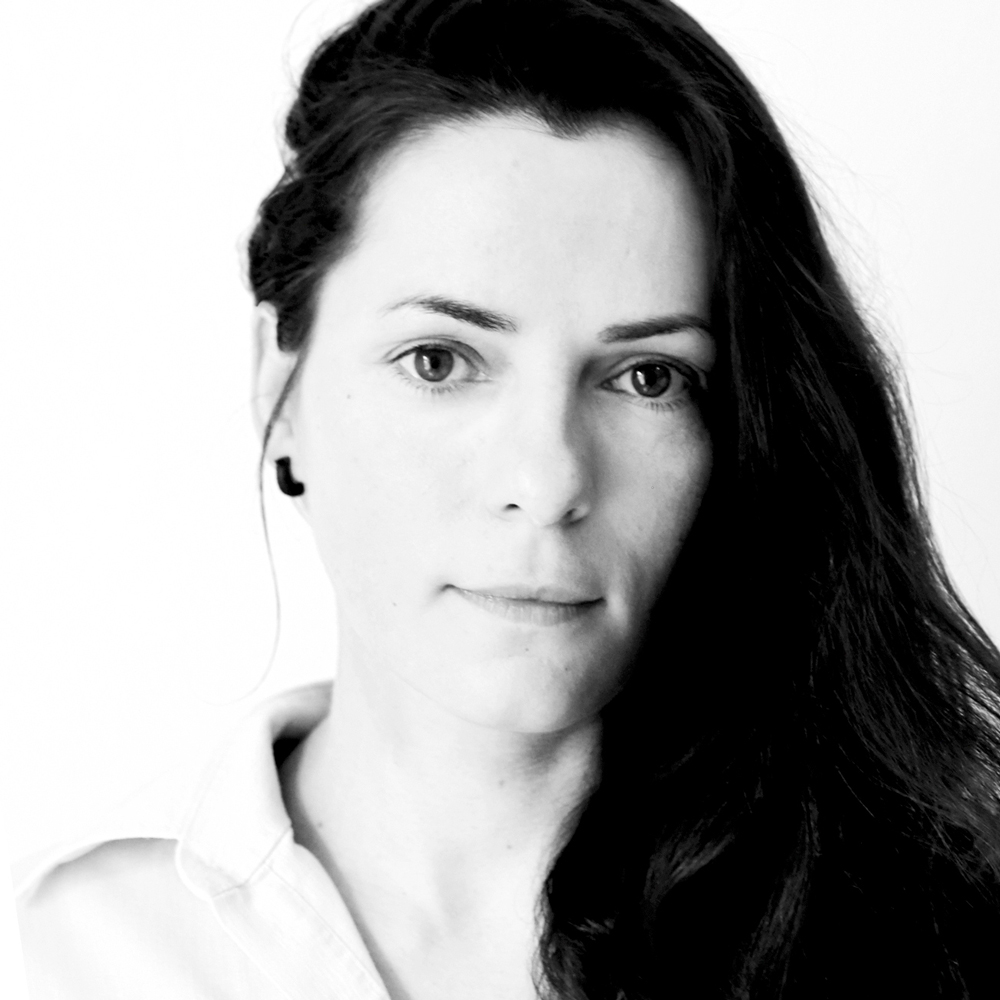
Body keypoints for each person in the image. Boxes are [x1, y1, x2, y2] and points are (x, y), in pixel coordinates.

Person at [14, 0, 1000, 997]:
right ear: (281, 386)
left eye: (647, 377)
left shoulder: (933, 943)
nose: (548, 480)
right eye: (438, 361)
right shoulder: (58, 954)